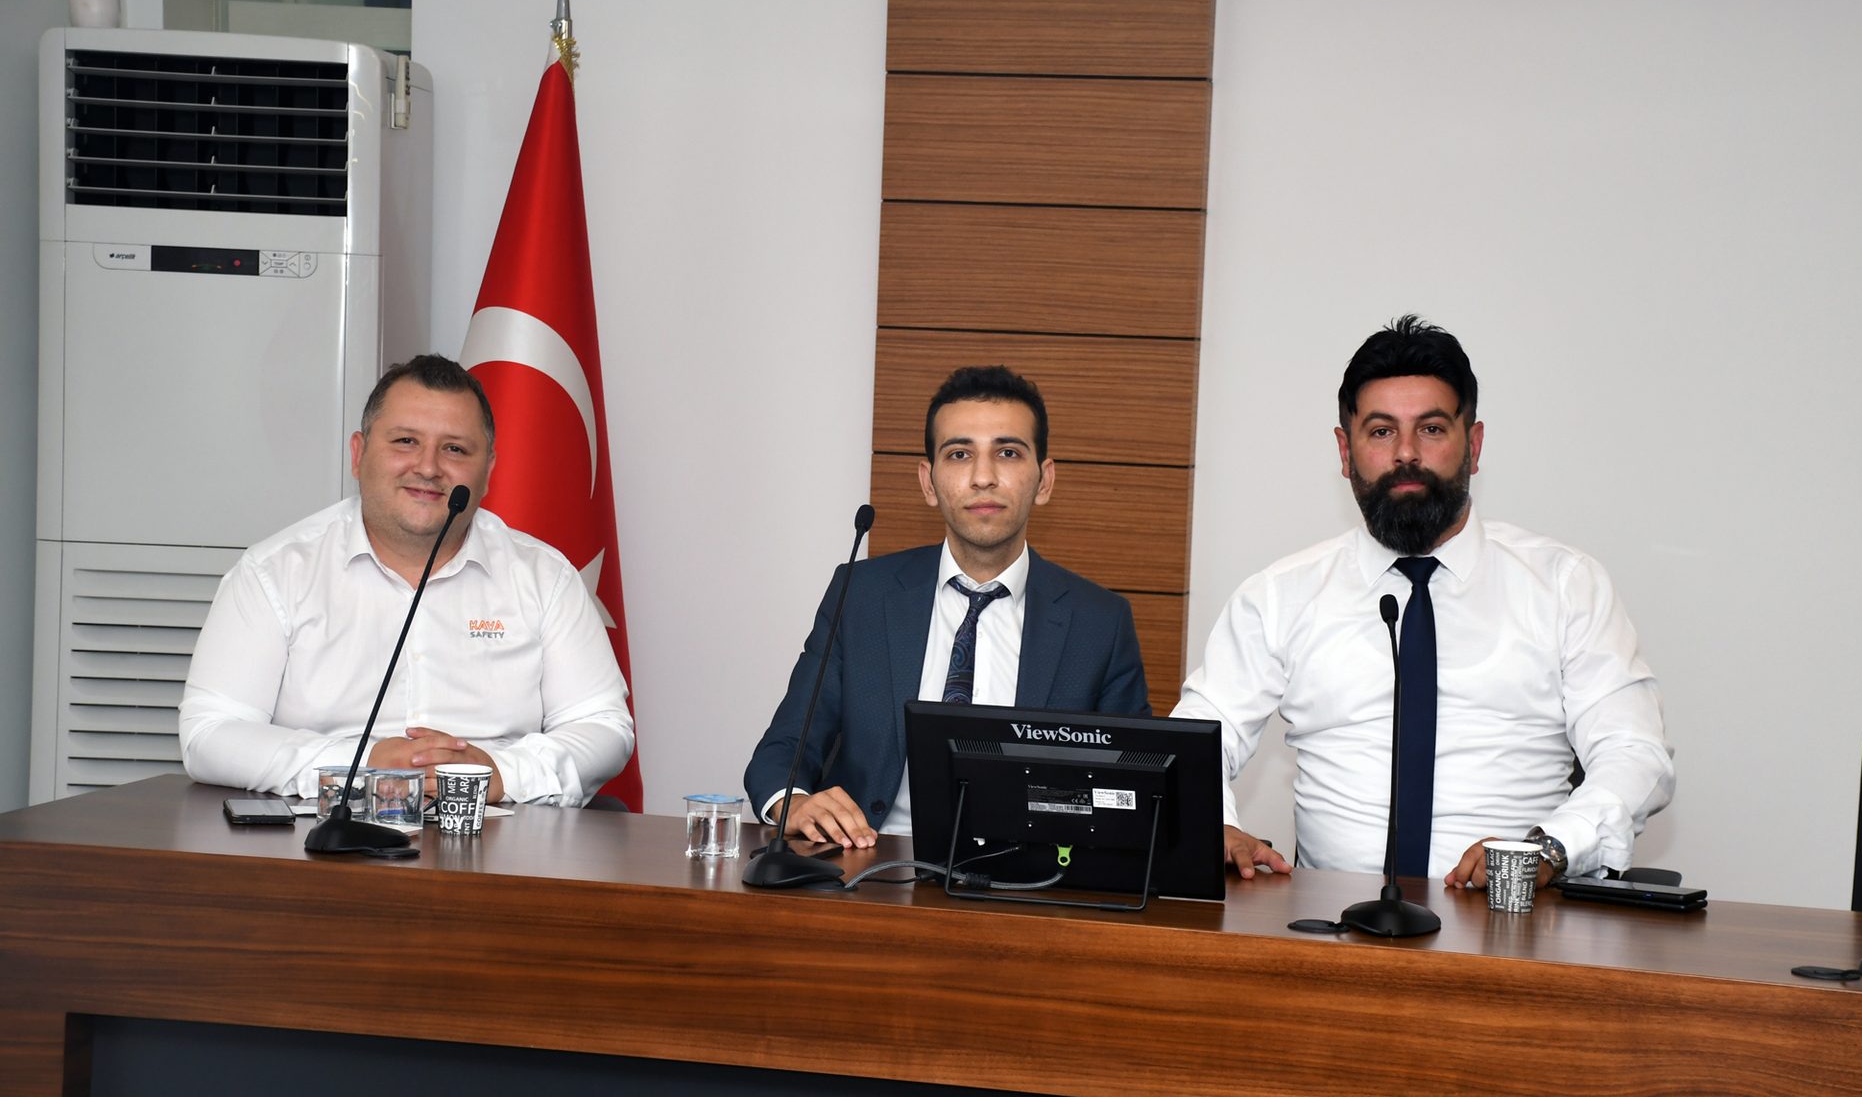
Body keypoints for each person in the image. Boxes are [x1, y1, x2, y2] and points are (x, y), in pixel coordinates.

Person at [1173, 317, 1674, 885]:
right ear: (1345, 450)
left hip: (1515, 924)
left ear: (1474, 444)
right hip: (1329, 929)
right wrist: (1209, 823)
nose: (1406, 454)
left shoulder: (1567, 585)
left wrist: (1550, 848)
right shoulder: (1280, 595)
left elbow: (1635, 755)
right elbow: (1195, 741)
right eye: (1381, 431)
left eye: (1432, 429)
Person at [179, 354, 634, 806]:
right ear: (358, 454)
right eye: (405, 441)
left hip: (500, 840)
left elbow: (603, 726)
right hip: (323, 840)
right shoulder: (275, 572)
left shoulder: (544, 576)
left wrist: (500, 773)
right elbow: (210, 733)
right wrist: (358, 767)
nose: (429, 468)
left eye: (455, 449)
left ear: (489, 470)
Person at [745, 365, 1151, 848]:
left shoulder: (1098, 622)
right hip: (872, 865)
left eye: (1007, 452)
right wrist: (793, 802)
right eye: (959, 454)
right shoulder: (862, 594)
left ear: (1044, 481)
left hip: (1029, 876)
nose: (983, 477)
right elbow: (784, 750)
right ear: (929, 481)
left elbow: (1133, 788)